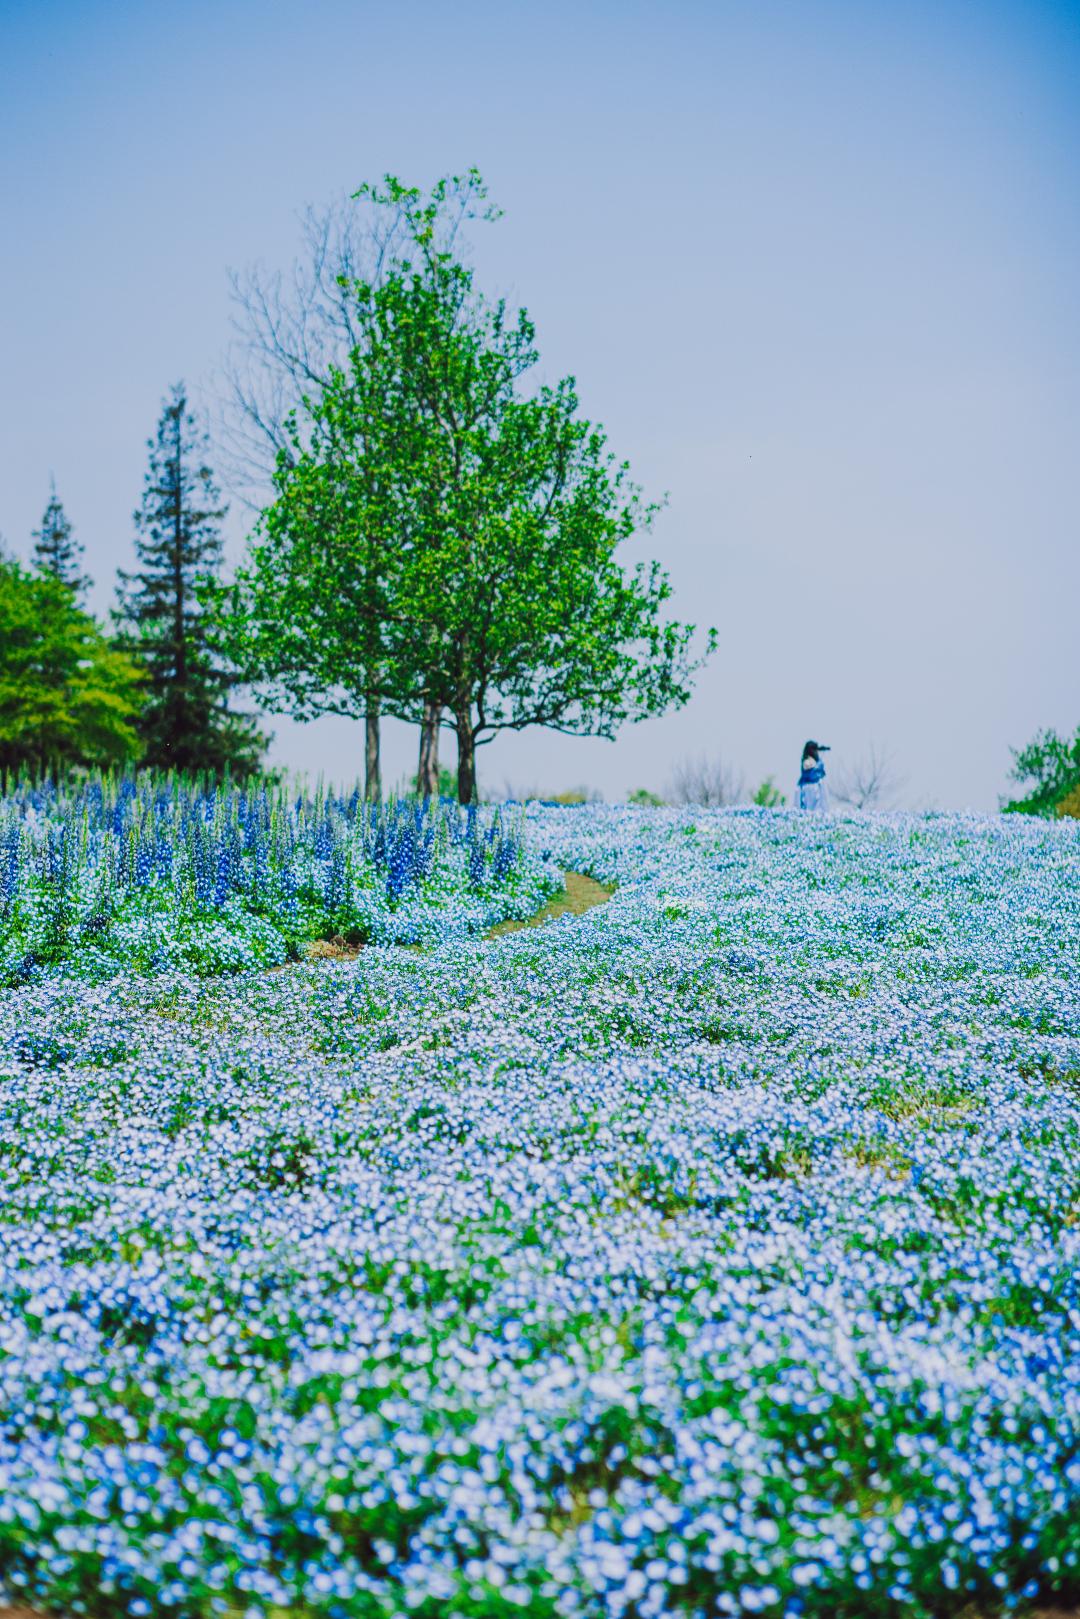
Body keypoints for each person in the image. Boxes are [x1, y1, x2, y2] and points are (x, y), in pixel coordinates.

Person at [797, 740, 830, 811]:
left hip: (817, 787)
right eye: (815, 750)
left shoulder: (816, 761)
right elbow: (809, 767)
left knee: (820, 808)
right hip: (808, 787)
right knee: (809, 809)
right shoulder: (807, 761)